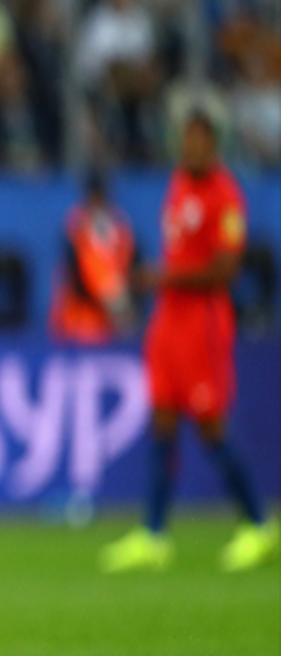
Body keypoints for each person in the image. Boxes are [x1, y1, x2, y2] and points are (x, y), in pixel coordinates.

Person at [99, 112, 277, 574]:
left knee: (211, 427)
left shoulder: (225, 195)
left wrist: (163, 277)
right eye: (185, 139)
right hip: (168, 324)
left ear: (213, 144)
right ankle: (154, 534)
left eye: (197, 140)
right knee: (162, 424)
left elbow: (225, 270)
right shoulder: (178, 183)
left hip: (203, 325)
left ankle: (257, 523)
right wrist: (164, 281)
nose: (188, 148)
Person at [48, 171, 138, 346]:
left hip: (111, 327)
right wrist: (110, 299)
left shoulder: (120, 228)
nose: (97, 203)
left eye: (100, 197)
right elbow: (77, 275)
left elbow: (130, 265)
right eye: (93, 198)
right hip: (77, 322)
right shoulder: (75, 229)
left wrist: (122, 301)